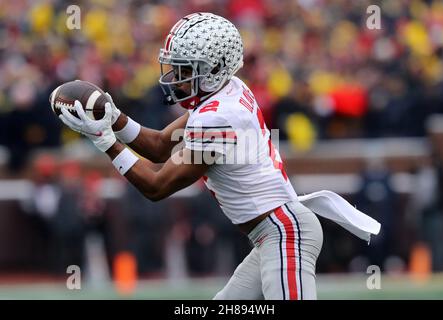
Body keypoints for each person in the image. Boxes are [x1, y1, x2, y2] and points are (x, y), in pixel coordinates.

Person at [58, 12, 324, 300]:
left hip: (283, 234)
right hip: (273, 234)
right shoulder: (227, 90)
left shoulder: (220, 117)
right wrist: (114, 118)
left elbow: (157, 185)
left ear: (216, 69)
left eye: (186, 70)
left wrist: (105, 140)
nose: (177, 79)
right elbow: (160, 145)